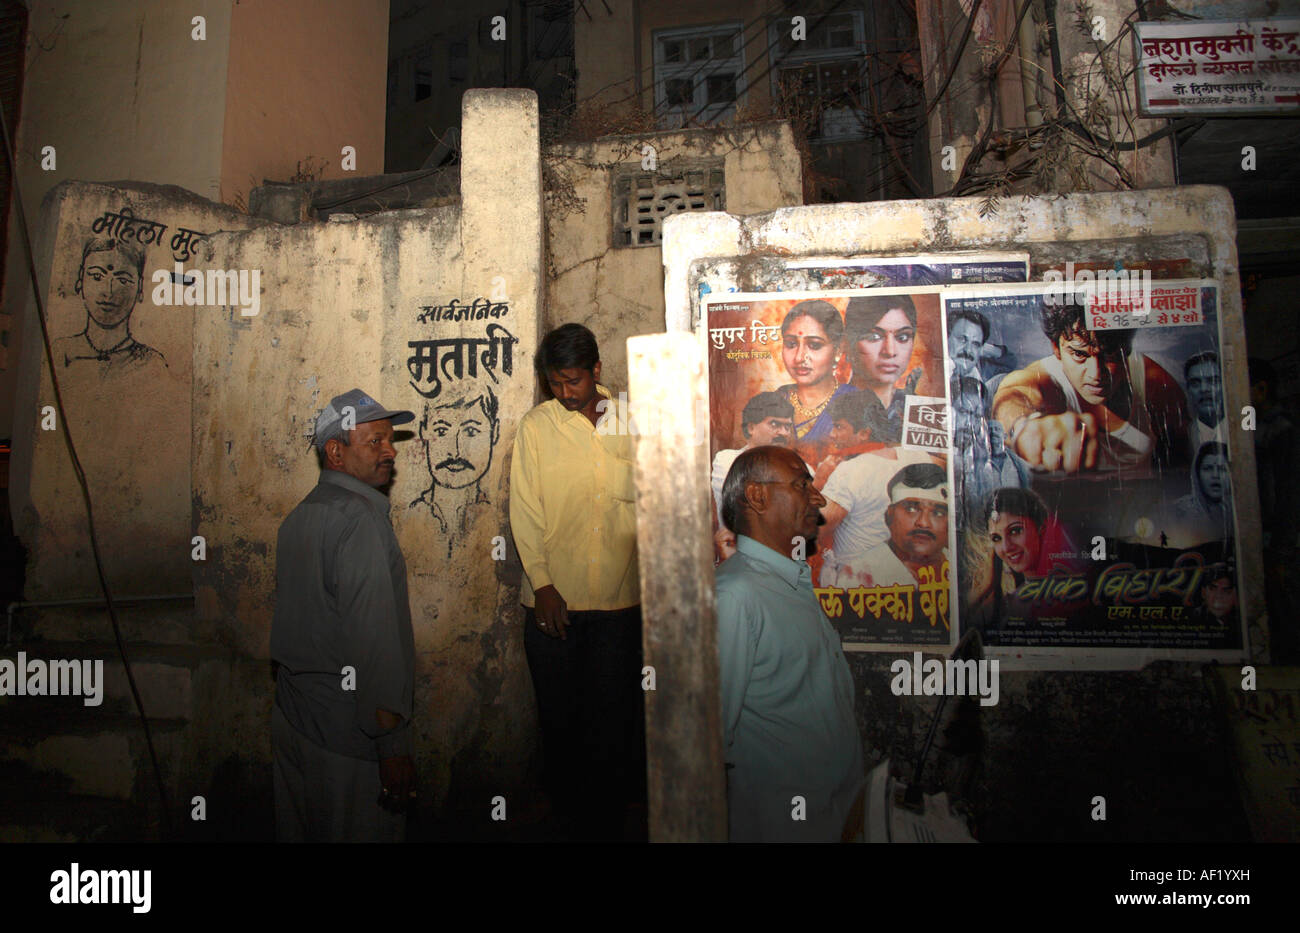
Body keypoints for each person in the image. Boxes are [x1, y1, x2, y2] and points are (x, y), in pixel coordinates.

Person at [509, 323, 645, 840]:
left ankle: (608, 824)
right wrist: (541, 583)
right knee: (560, 726)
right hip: (553, 604)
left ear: (596, 372)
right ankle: (566, 821)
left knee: (612, 727)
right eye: (555, 384)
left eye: (573, 382)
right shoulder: (537, 427)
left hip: (618, 605)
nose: (565, 394)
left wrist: (614, 472)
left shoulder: (634, 420)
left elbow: (653, 489)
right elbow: (525, 509)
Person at [270, 388, 417, 842]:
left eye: (389, 440)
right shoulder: (360, 521)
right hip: (347, 740)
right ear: (336, 451)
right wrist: (390, 746)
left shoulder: (299, 517)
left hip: (296, 724)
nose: (390, 450)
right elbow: (372, 643)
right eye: (374, 441)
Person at [714, 445, 864, 842]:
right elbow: (708, 744)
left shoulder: (791, 581)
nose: (818, 498)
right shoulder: (734, 597)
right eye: (802, 484)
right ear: (757, 496)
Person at [992, 300, 1188, 472]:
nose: (1096, 375)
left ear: (1126, 348)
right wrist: (1025, 425)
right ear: (1056, 349)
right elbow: (1012, 395)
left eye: (1109, 354)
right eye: (1079, 354)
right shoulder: (1044, 377)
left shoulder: (1154, 383)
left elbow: (1182, 465)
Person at [54, 237, 165, 370]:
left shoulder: (150, 362)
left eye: (122, 280)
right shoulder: (61, 351)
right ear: (80, 280)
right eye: (97, 276)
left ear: (140, 288)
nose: (109, 291)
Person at [408, 385, 500, 538]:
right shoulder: (409, 517)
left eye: (470, 431)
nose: (455, 451)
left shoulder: (498, 518)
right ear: (424, 431)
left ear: (494, 432)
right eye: (441, 431)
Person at [712, 391, 794, 561]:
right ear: (751, 428)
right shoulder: (727, 460)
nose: (784, 433)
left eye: (787, 427)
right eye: (775, 424)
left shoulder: (802, 469)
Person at [775, 299, 860, 446]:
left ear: (838, 350)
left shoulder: (857, 402)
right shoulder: (776, 400)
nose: (799, 357)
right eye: (791, 344)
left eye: (814, 345)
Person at [844, 294, 923, 443]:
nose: (890, 351)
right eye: (874, 337)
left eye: (903, 337)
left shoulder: (920, 413)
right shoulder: (830, 410)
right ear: (848, 342)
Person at [950, 376, 1029, 525]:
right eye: (962, 411)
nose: (969, 422)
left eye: (976, 415)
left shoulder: (996, 460)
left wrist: (999, 458)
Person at [858, 463, 949, 587]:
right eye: (911, 509)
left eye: (938, 513)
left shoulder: (962, 565)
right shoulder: (860, 574)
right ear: (889, 516)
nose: (923, 523)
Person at [1174, 441, 1233, 542]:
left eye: (1222, 469)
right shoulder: (1179, 511)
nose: (1215, 475)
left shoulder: (1238, 512)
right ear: (1197, 474)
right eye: (1208, 468)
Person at [1184, 350, 1225, 452]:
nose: (1204, 389)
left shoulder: (1242, 431)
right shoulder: (1181, 437)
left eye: (1213, 381)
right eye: (1195, 383)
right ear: (1188, 390)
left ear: (1224, 386)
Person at [1189, 564, 1239, 629]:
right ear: (1203, 593)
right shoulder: (1193, 619)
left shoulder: (1239, 619)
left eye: (1226, 591)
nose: (1218, 596)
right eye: (1212, 589)